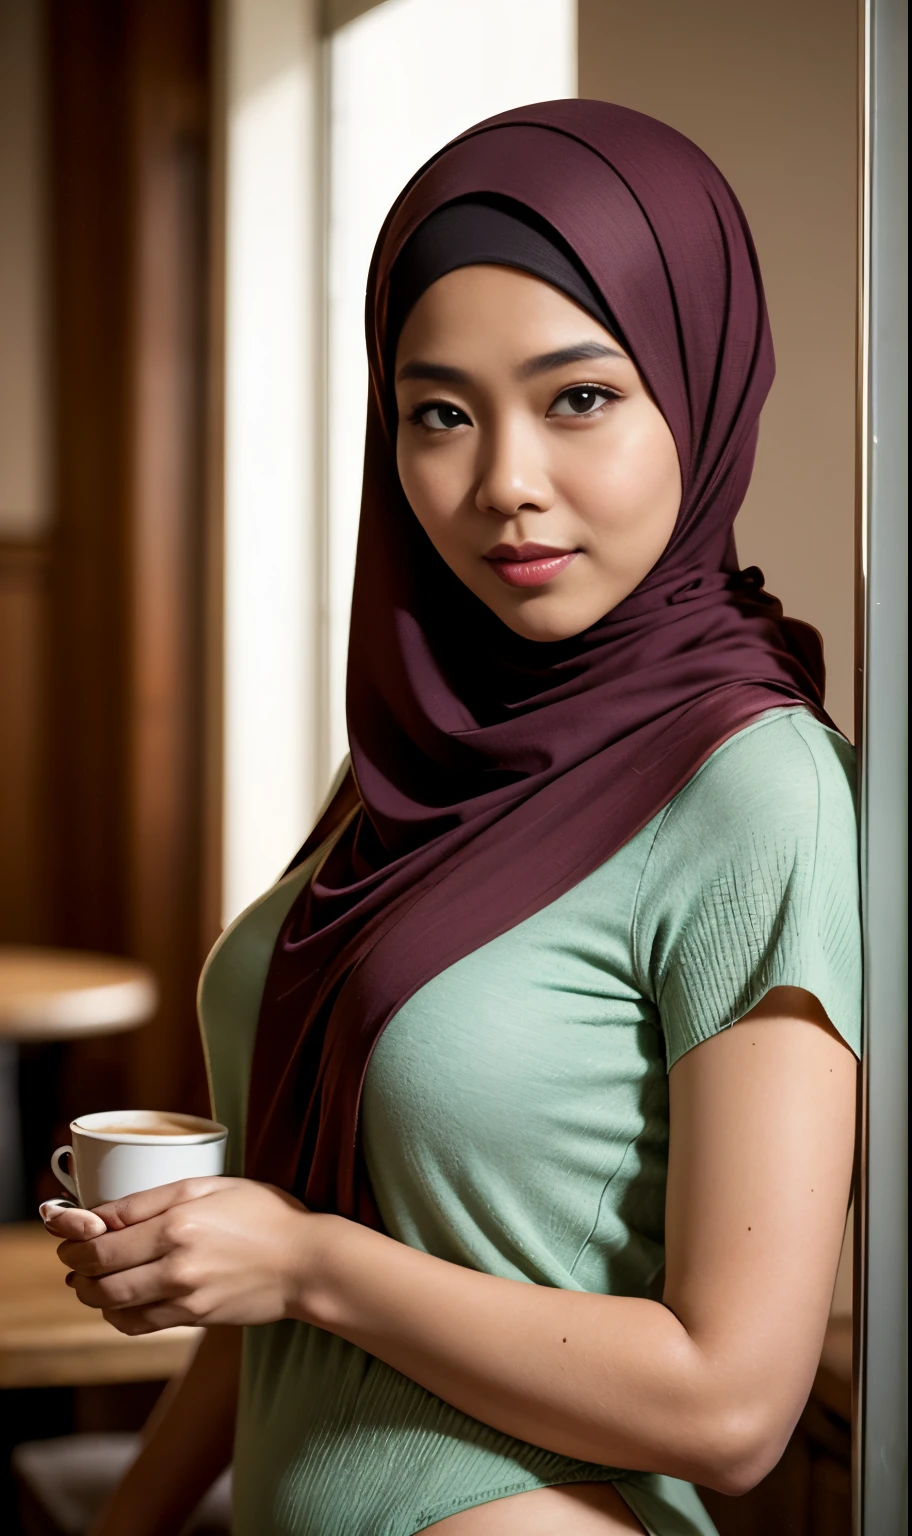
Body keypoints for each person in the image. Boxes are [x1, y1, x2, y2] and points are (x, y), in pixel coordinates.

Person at [43, 101, 861, 1536]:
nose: (504, 486)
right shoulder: (415, 757)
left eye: (582, 397)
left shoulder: (754, 785)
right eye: (439, 413)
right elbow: (292, 1288)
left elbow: (731, 1407)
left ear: (703, 384)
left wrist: (302, 1263)